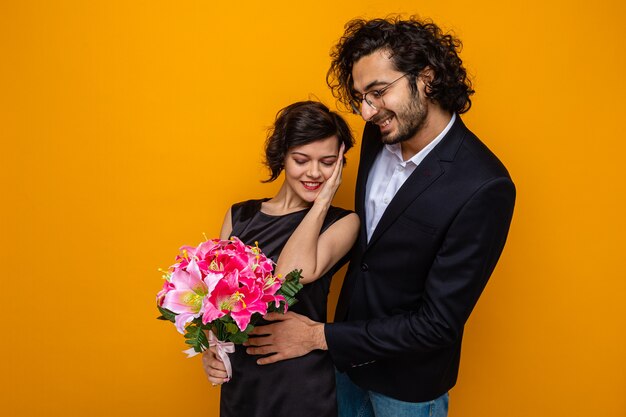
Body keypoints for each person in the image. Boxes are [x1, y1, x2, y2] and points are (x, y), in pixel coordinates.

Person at [241, 17, 516, 417]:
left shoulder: (484, 185)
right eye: (360, 98)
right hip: (340, 368)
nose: (367, 111)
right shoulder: (380, 132)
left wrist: (320, 337)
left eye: (378, 92)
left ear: (426, 76)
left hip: (407, 386)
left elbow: (438, 324)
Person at [202, 100, 360, 417]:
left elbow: (290, 274)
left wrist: (323, 201)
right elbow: (215, 302)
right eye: (301, 160)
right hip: (243, 383)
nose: (315, 172)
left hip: (300, 385)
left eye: (328, 162)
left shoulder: (343, 223)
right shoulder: (239, 216)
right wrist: (211, 349)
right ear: (283, 157)